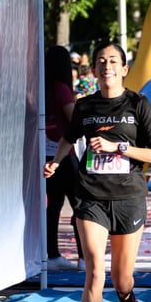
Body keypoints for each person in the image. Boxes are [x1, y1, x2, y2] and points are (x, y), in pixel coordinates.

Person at [43, 42, 151, 302]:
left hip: (128, 198)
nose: (106, 65)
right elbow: (69, 137)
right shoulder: (85, 107)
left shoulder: (138, 105)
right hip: (90, 196)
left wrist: (118, 147)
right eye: (101, 61)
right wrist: (55, 161)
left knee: (120, 277)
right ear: (94, 71)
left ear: (124, 69)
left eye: (113, 60)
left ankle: (126, 295)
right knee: (95, 273)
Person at [44, 45, 85, 270]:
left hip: (46, 154)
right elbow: (73, 117)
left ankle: (52, 255)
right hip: (64, 154)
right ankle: (83, 257)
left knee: (54, 206)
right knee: (80, 205)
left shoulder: (42, 88)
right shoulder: (61, 89)